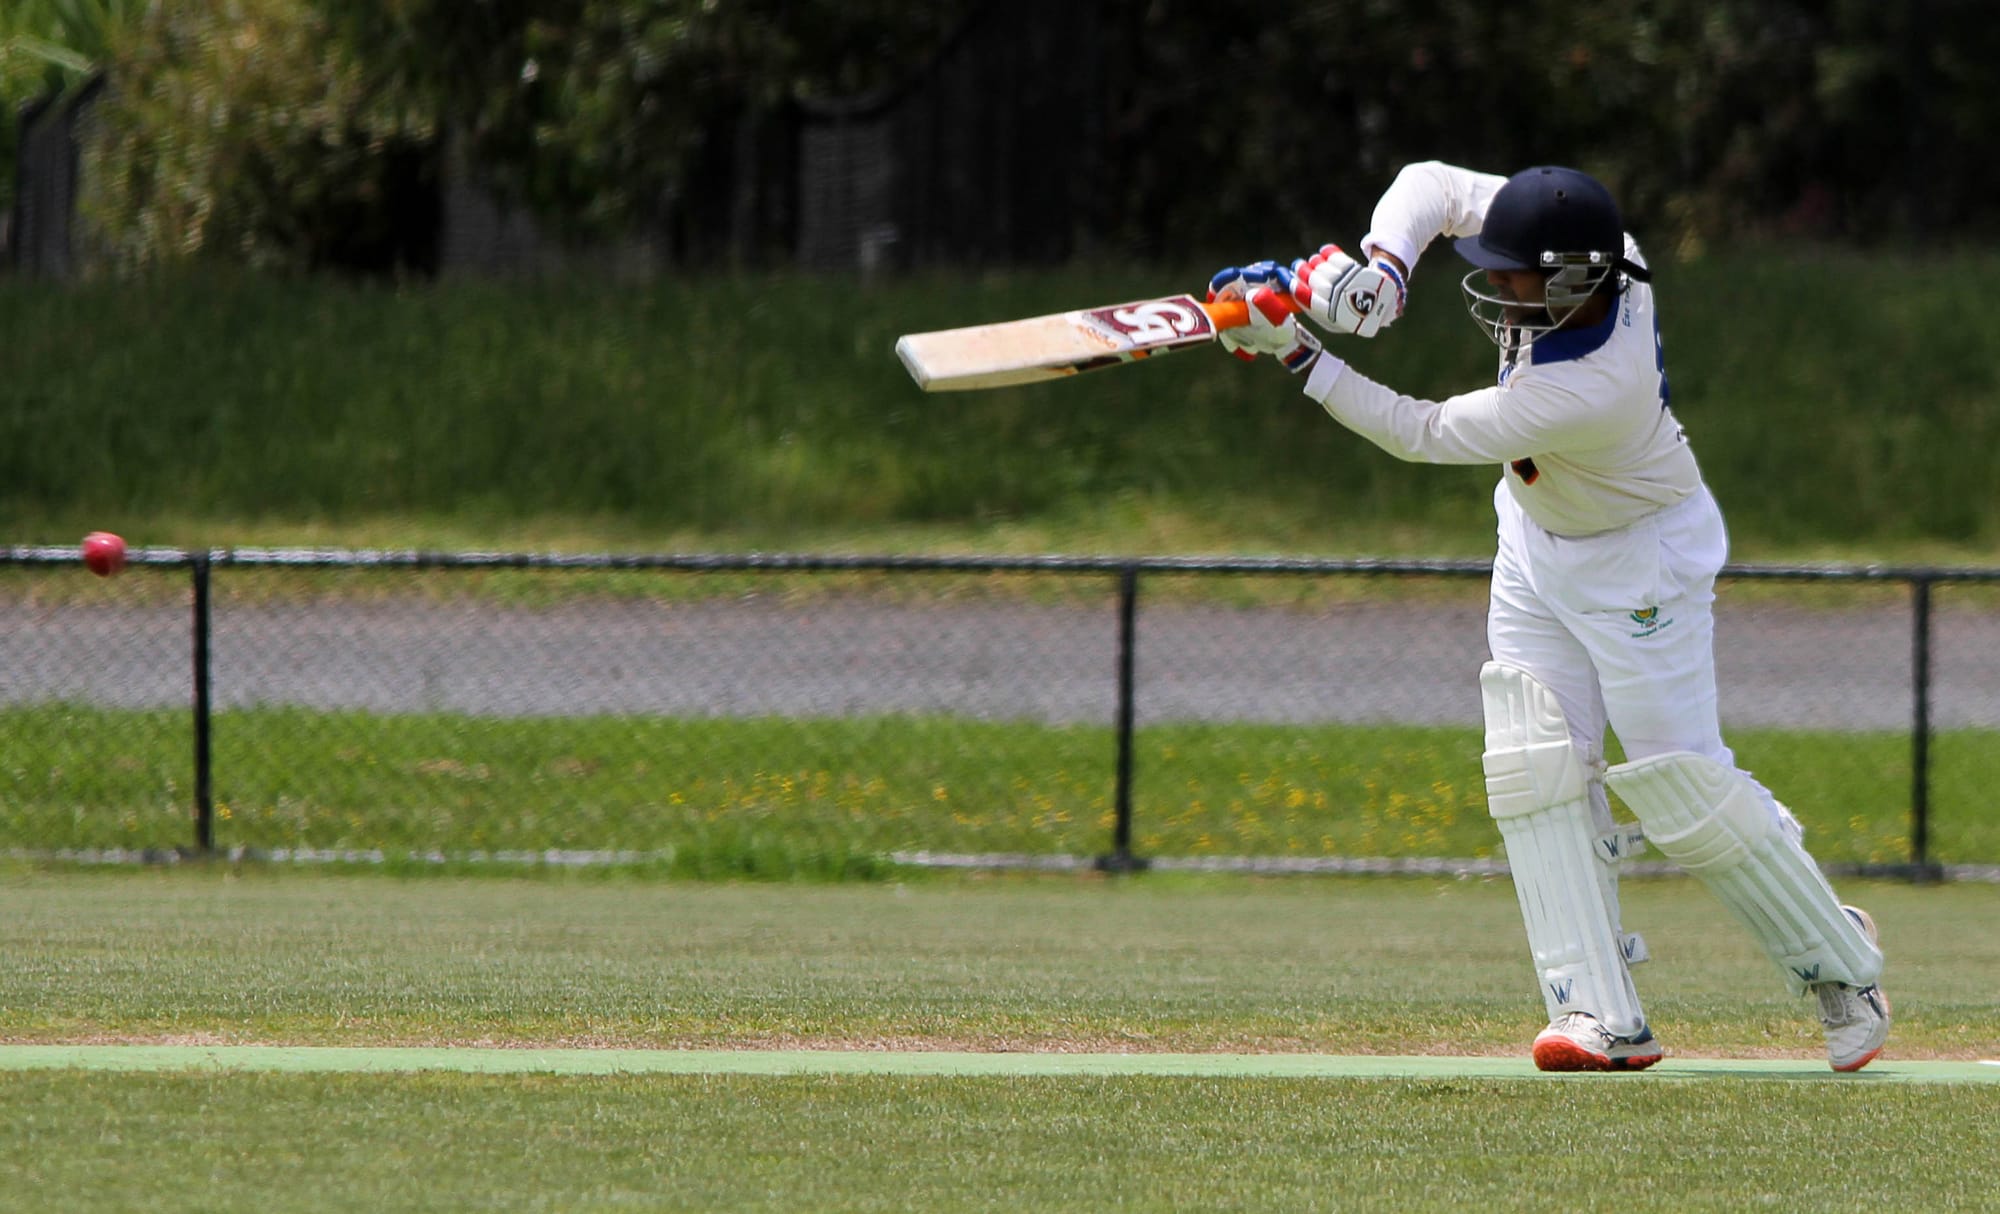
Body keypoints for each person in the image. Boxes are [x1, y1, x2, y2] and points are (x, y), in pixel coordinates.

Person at [1207, 161, 1890, 1073]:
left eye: (1513, 275)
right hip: (1536, 538)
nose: (1494, 284)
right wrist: (1381, 268)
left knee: (1680, 790)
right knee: (1535, 761)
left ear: (1575, 280)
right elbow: (1432, 184)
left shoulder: (1586, 385)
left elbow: (1422, 431)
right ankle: (1597, 1014)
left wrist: (1298, 350)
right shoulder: (1598, 248)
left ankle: (1840, 964)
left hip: (1641, 561)